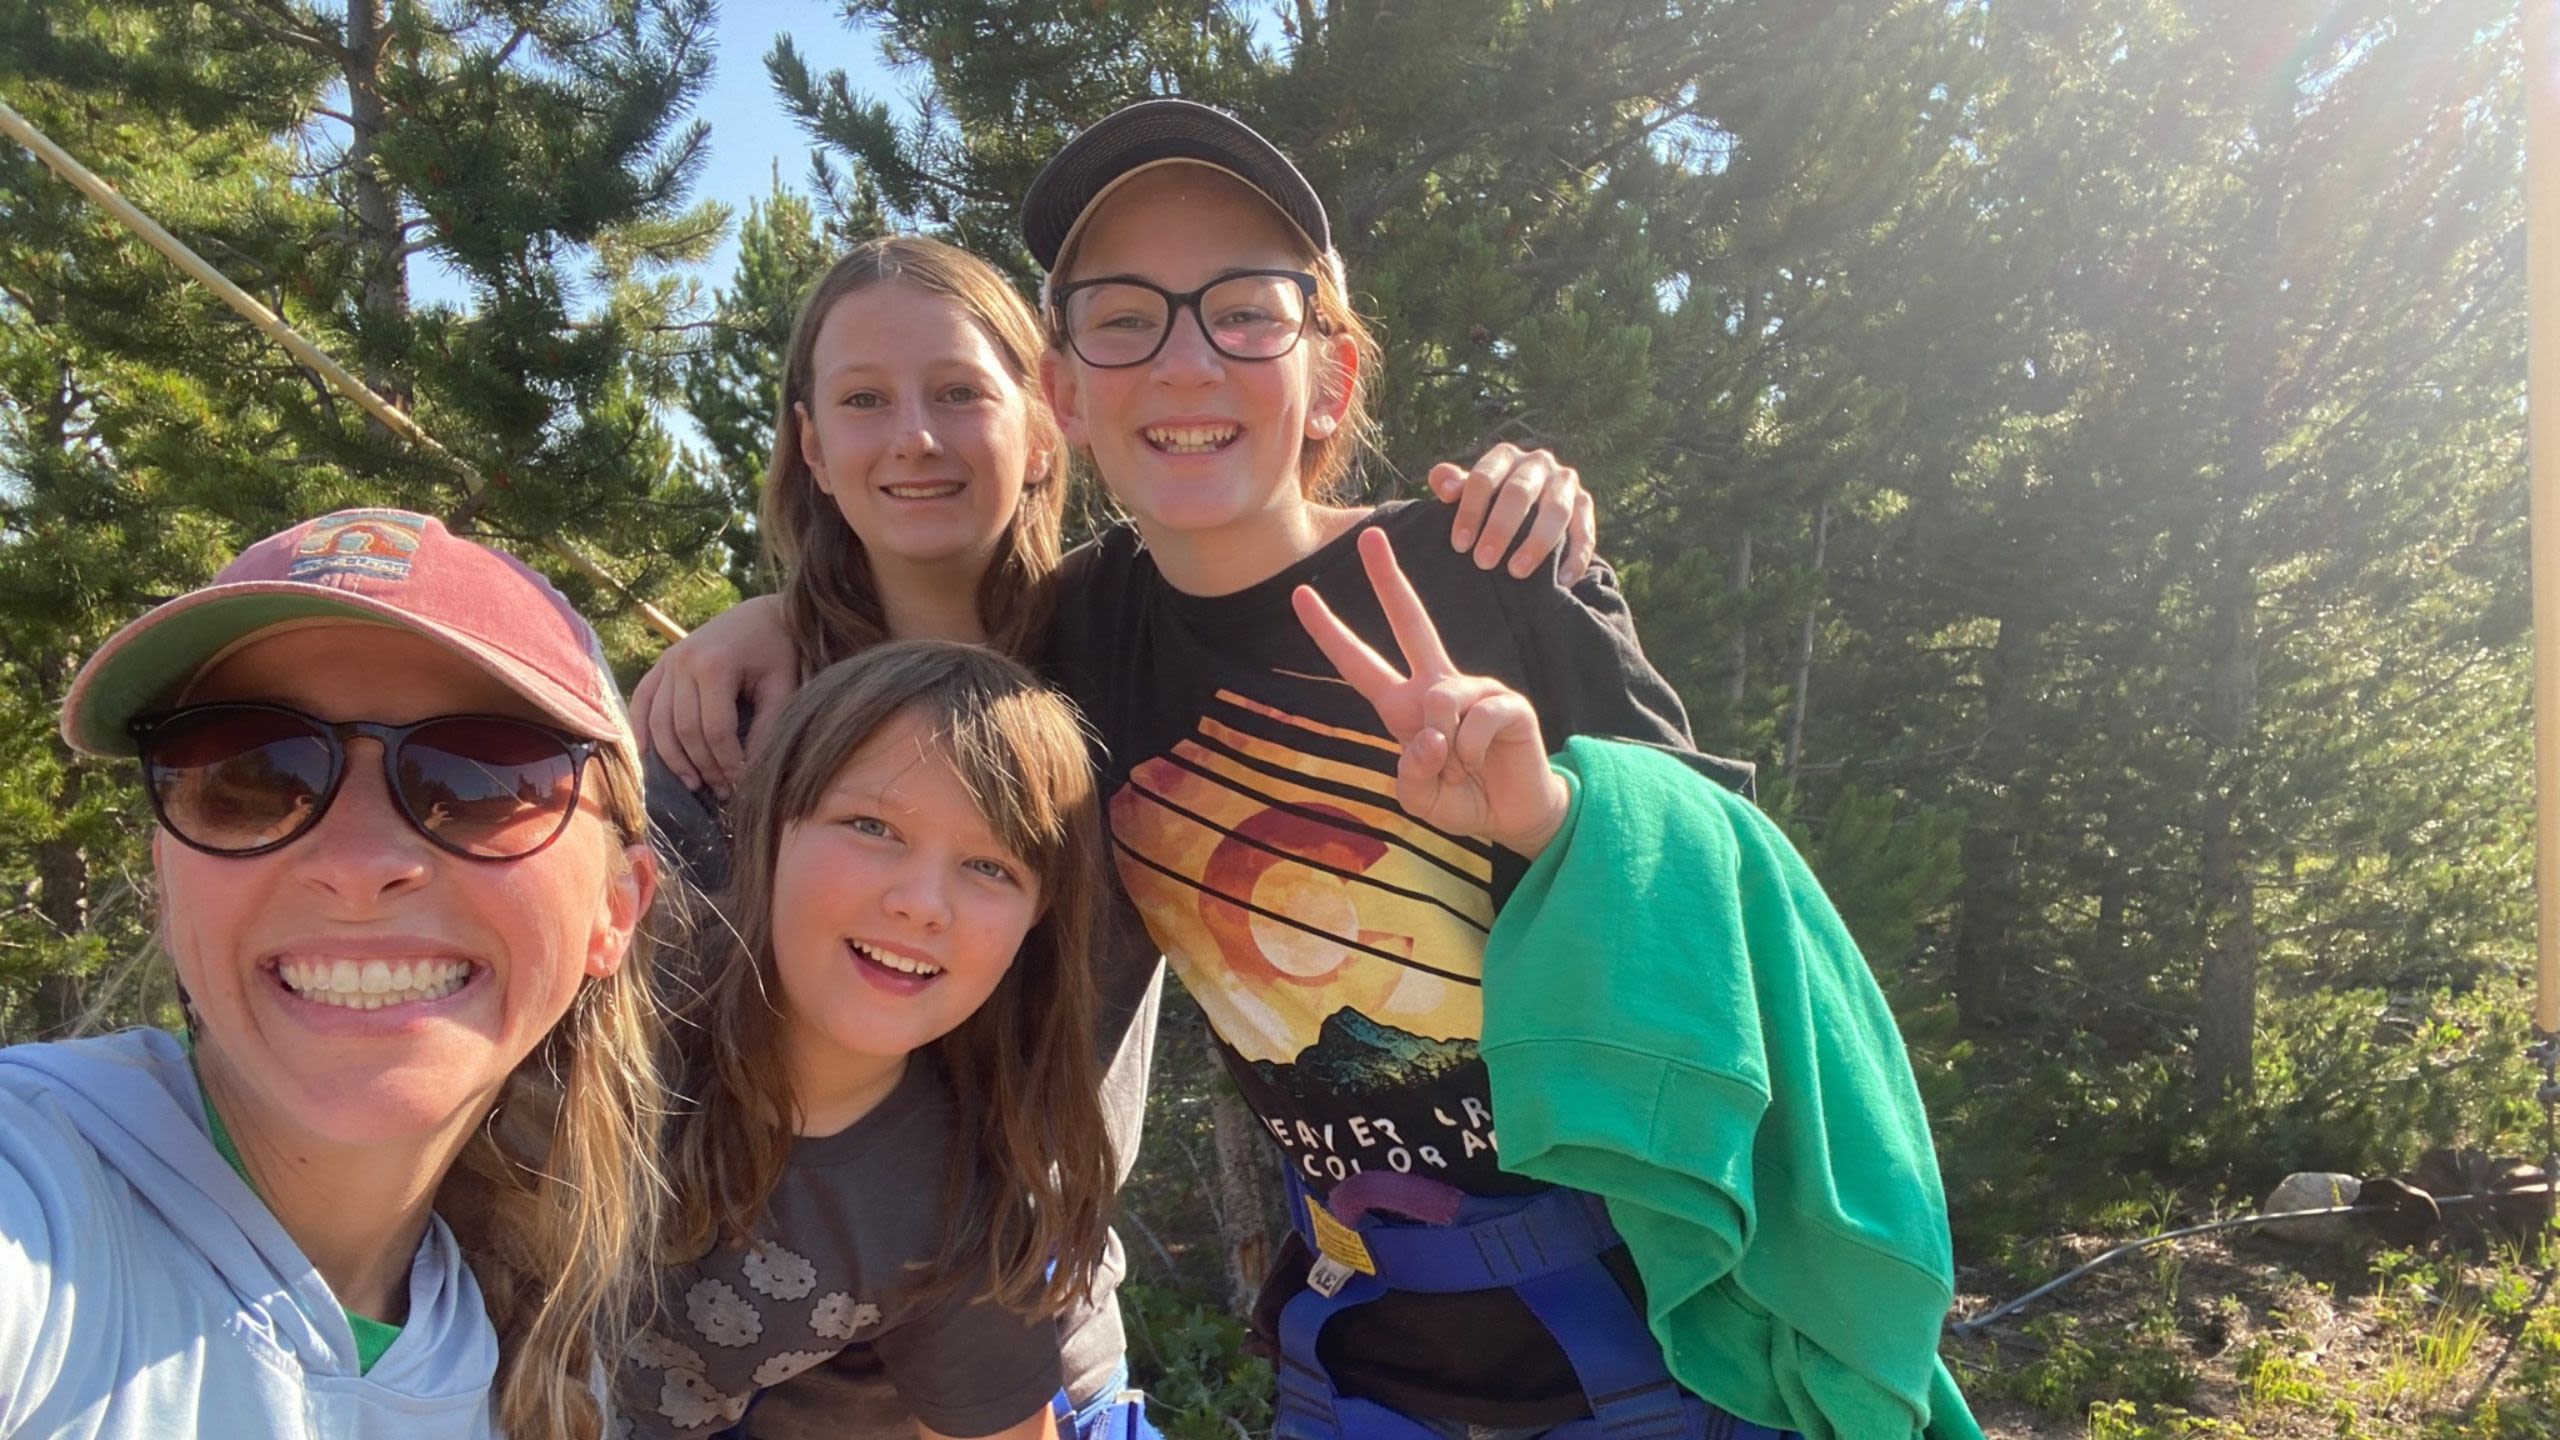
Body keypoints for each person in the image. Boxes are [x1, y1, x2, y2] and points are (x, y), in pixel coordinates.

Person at [626, 232, 1602, 1440]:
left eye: (960, 393)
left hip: (1037, 1344)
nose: (915, 437)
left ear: (1045, 422)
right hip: (759, 1373)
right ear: (809, 445)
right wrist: (758, 620)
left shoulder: (1130, 656)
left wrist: (1512, 506)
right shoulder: (735, 724)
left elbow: (1288, 550)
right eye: (863, 400)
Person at [0, 507, 665, 1440]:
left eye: (480, 780)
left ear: (616, 910)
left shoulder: (535, 1387)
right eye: (248, 775)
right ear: (167, 877)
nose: (355, 861)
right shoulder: (35, 1205)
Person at [621, 641, 1112, 1440]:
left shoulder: (957, 1211)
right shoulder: (612, 993)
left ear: (1036, 920)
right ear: (773, 824)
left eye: (990, 868)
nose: (922, 904)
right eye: (872, 825)